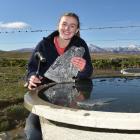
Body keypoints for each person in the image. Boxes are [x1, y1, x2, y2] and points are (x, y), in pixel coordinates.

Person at [24, 12, 93, 140]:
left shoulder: (81, 45)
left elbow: (88, 72)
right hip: (45, 96)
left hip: (73, 97)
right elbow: (32, 67)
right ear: (58, 25)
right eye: (64, 24)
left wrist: (84, 68)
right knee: (33, 129)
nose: (67, 28)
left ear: (77, 29)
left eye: (72, 26)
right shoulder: (44, 45)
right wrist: (32, 77)